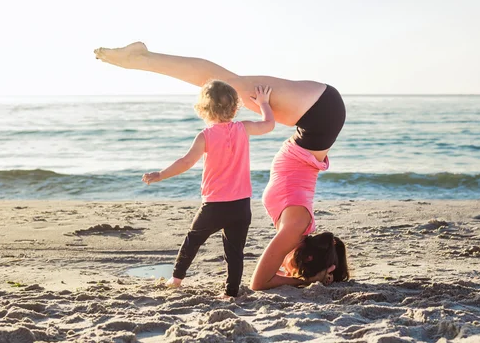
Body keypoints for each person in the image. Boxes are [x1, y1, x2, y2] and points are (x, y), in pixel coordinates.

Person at [94, 42, 350, 290]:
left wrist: (305, 278)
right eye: (292, 268)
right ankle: (141, 58)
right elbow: (260, 282)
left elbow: (270, 276)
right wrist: (304, 281)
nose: (286, 268)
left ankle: (142, 59)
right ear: (304, 260)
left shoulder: (296, 229)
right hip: (319, 116)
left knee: (223, 83)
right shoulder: (294, 231)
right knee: (220, 84)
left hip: (317, 122)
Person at [141, 80, 275, 298]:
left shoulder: (205, 135)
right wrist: (264, 103)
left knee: (192, 241)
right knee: (234, 253)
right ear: (234, 107)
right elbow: (269, 124)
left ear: (204, 109)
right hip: (241, 206)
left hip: (213, 206)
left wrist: (161, 175)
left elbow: (186, 162)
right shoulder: (244, 128)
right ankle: (231, 293)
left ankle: (176, 279)